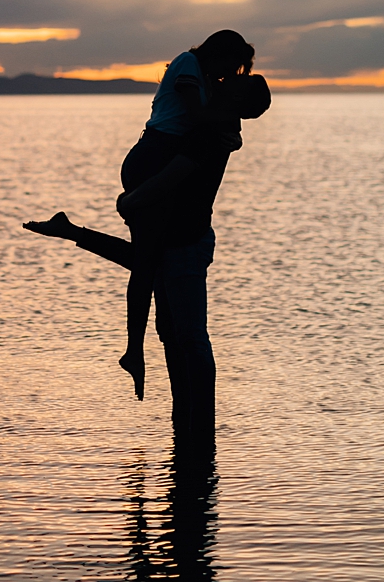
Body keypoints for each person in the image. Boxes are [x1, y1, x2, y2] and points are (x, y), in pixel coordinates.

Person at [25, 30, 270, 442]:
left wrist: (132, 200)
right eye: (228, 74)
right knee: (167, 316)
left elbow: (177, 173)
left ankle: (198, 431)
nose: (224, 80)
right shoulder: (211, 119)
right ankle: (187, 428)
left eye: (234, 81)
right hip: (184, 234)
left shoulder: (210, 129)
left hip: (187, 240)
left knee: (189, 336)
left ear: (237, 101)